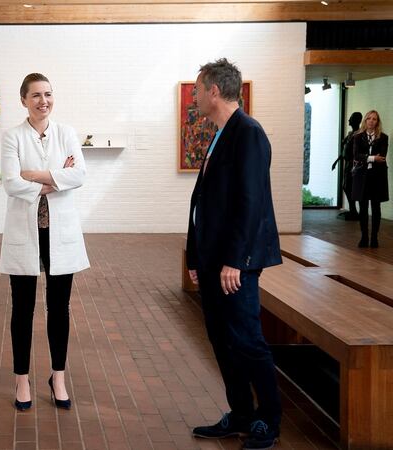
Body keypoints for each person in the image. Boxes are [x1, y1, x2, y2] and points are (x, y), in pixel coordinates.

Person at [185, 59, 282, 450]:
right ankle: (241, 414)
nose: (194, 96)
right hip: (213, 261)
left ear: (213, 91)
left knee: (247, 340)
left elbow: (250, 204)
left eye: (197, 89)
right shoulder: (221, 133)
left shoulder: (248, 133)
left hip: (234, 265)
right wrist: (195, 257)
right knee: (222, 340)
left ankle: (269, 421)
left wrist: (235, 261)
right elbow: (203, 201)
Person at [0, 73, 89, 412]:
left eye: (48, 94)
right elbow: (10, 182)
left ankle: (58, 376)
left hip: (60, 234)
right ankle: (21, 378)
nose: (43, 101)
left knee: (59, 308)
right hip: (25, 232)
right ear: (23, 100)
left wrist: (34, 175)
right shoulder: (12, 137)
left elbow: (79, 174)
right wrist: (56, 178)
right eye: (36, 95)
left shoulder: (66, 133)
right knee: (23, 309)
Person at [351, 110, 389, 248]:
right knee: (363, 208)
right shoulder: (358, 137)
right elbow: (356, 155)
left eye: (374, 119)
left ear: (377, 122)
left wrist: (365, 157)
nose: (371, 121)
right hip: (362, 177)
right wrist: (372, 158)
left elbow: (382, 157)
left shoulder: (383, 137)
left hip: (377, 177)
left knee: (376, 207)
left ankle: (374, 238)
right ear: (365, 121)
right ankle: (364, 237)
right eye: (369, 118)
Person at [332, 112, 363, 219]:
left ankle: (354, 211)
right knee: (346, 186)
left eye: (351, 118)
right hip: (348, 163)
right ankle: (352, 210)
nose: (349, 120)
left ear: (357, 120)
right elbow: (345, 150)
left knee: (350, 187)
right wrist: (336, 161)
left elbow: (358, 151)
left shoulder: (359, 134)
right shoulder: (351, 134)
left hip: (353, 164)